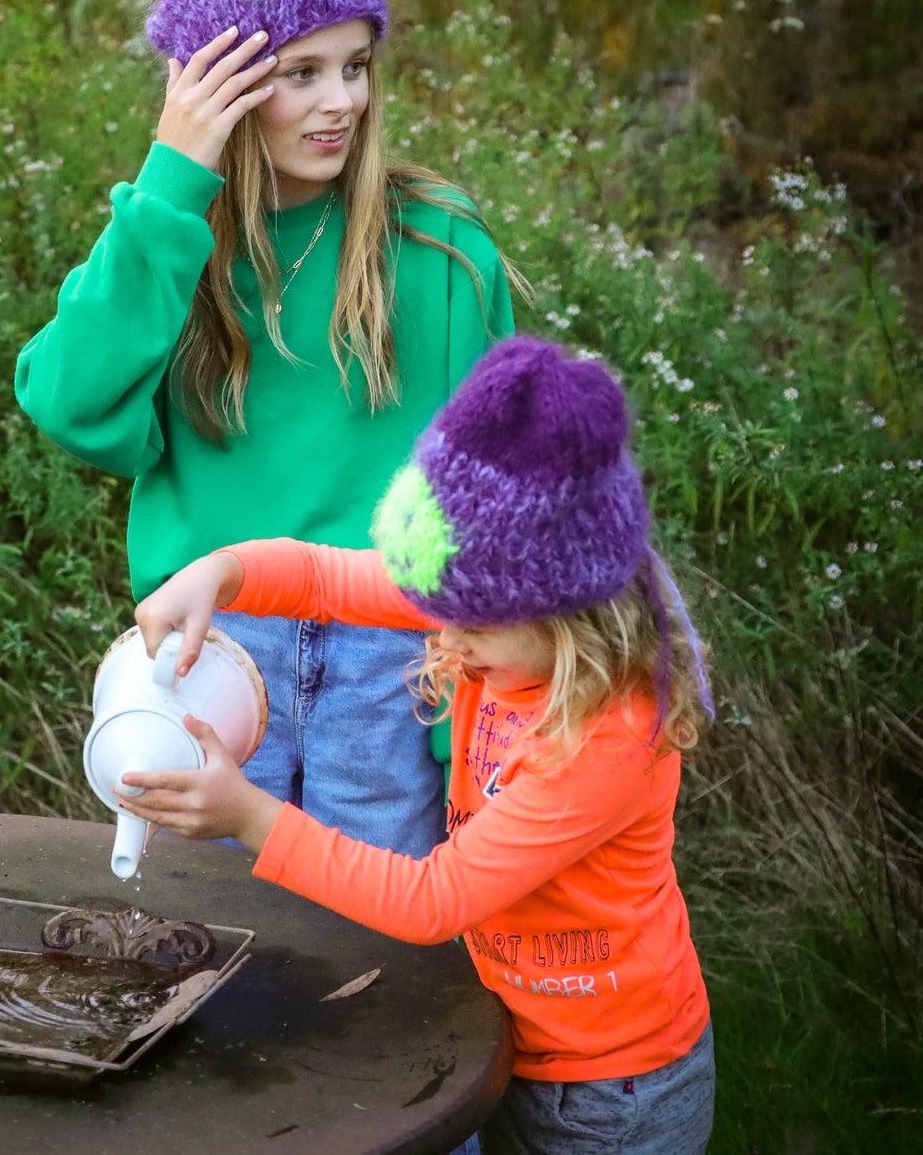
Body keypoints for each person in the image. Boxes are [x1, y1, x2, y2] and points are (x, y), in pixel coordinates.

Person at [119, 336, 717, 1155]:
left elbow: (433, 900)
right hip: (510, 1034)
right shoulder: (476, 599)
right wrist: (218, 572)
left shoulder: (601, 740)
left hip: (609, 1088)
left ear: (571, 616)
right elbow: (325, 577)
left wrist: (252, 817)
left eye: (468, 624)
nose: (444, 632)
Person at [16, 0, 521, 857]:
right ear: (218, 86)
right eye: (300, 73)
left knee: (374, 959)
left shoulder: (439, 248)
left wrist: (475, 722)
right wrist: (173, 173)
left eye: (355, 65)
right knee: (202, 954)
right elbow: (68, 404)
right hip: (211, 652)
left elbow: (485, 504)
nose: (343, 101)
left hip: (393, 664)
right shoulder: (169, 245)